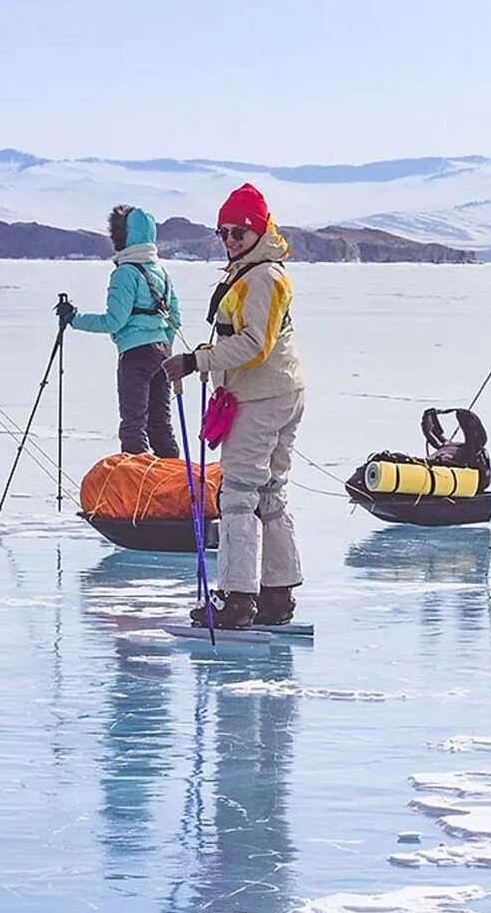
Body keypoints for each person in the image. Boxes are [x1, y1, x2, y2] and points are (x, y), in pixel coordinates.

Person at [161, 184, 304, 629]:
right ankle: (277, 595)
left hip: (262, 397)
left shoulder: (262, 277)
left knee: (239, 494)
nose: (229, 241)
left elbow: (253, 345)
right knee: (269, 494)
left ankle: (238, 600)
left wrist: (195, 361)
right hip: (280, 391)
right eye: (223, 233)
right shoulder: (259, 271)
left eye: (238, 232)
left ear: (257, 231)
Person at [54, 206, 182, 457]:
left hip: (136, 356)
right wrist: (164, 347)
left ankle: (135, 485)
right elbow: (174, 319)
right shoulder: (161, 273)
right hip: (163, 354)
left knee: (133, 424)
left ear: (122, 236)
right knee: (160, 425)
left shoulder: (125, 273)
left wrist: (73, 319)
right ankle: (175, 482)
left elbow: (114, 321)